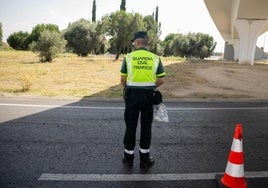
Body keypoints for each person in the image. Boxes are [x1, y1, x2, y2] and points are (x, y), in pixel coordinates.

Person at [120, 31, 165, 168]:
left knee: (130, 127)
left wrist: (129, 88)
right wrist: (150, 87)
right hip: (148, 97)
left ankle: (128, 158)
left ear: (138, 42)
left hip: (132, 96)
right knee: (146, 128)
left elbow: (123, 79)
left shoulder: (128, 57)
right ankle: (144, 160)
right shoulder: (155, 58)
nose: (133, 44)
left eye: (134, 42)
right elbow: (161, 80)